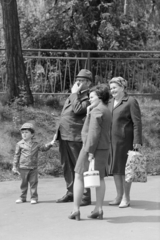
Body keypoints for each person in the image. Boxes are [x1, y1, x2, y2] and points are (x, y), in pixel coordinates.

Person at [68, 84, 112, 220]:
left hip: (91, 148)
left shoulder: (97, 111)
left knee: (79, 176)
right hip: (103, 148)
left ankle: (75, 209)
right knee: (100, 178)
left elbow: (93, 133)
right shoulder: (105, 109)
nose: (90, 99)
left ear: (99, 97)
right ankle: (98, 208)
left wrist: (90, 151)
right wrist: (88, 112)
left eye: (92, 97)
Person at [54, 69, 92, 206]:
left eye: (81, 81)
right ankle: (71, 192)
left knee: (80, 166)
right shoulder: (75, 94)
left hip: (76, 136)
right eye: (77, 80)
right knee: (67, 165)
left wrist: (74, 93)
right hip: (64, 134)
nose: (78, 82)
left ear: (88, 83)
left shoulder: (89, 97)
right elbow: (66, 114)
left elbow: (77, 110)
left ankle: (85, 196)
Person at [108, 76, 142, 208]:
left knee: (125, 170)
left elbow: (137, 122)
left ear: (122, 87)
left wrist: (137, 141)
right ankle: (118, 195)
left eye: (115, 87)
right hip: (112, 142)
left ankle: (126, 197)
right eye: (111, 88)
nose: (112, 91)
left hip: (125, 141)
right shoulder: (110, 102)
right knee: (116, 170)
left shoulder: (130, 101)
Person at [12, 122, 55, 204]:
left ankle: (34, 198)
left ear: (32, 134)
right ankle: (22, 198)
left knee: (33, 183)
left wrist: (51, 144)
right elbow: (16, 156)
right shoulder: (19, 144)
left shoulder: (36, 144)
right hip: (23, 167)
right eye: (22, 132)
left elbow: (43, 148)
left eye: (26, 132)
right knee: (23, 184)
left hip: (33, 167)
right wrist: (14, 166)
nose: (24, 134)